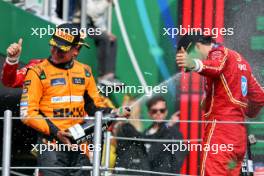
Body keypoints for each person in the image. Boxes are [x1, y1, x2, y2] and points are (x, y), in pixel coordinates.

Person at [15, 23, 130, 176]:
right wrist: (57, 132)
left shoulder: (85, 71)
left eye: (62, 49)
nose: (55, 52)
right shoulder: (37, 72)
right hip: (51, 146)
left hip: (80, 146)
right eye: (53, 46)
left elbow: (95, 106)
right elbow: (27, 114)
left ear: (76, 50)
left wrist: (115, 112)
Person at [175, 34, 264, 176]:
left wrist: (194, 64)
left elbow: (217, 67)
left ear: (197, 46)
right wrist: (241, 111)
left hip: (220, 133)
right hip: (238, 138)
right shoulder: (241, 61)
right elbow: (259, 97)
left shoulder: (217, 52)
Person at [144, 96, 186, 174]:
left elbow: (179, 157)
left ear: (166, 112)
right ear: (149, 113)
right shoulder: (145, 133)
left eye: (162, 110)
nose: (158, 113)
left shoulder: (173, 132)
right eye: (154, 111)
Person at [86, 0, 122, 86]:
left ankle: (109, 76)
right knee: (105, 37)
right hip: (78, 25)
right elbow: (92, 12)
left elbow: (98, 18)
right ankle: (102, 76)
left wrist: (105, 31)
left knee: (112, 39)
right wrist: (106, 2)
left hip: (90, 27)